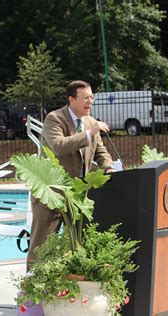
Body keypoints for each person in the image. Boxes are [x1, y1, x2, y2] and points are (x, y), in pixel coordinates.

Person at [27, 80, 116, 270]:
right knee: (42, 247)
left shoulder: (91, 122)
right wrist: (88, 134)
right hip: (51, 195)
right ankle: (31, 294)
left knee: (74, 247)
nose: (90, 102)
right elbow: (58, 146)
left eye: (92, 97)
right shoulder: (55, 118)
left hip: (77, 197)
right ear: (71, 100)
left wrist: (108, 167)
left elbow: (100, 151)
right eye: (85, 98)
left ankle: (67, 292)